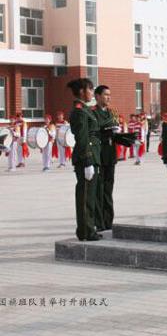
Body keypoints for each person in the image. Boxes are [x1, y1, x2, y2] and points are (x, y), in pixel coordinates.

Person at [67, 78, 101, 241]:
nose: (92, 92)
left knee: (90, 196)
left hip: (92, 156)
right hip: (86, 158)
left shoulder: (85, 109)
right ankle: (86, 231)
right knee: (85, 196)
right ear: (82, 91)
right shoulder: (79, 111)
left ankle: (88, 228)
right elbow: (82, 138)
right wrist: (88, 161)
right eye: (90, 89)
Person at [93, 85, 119, 231]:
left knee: (108, 190)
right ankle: (99, 222)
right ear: (97, 96)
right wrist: (109, 128)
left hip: (110, 156)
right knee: (99, 190)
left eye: (109, 95)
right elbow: (95, 130)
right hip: (99, 155)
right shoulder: (93, 113)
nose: (108, 97)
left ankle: (108, 221)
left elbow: (114, 133)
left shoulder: (112, 113)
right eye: (105, 94)